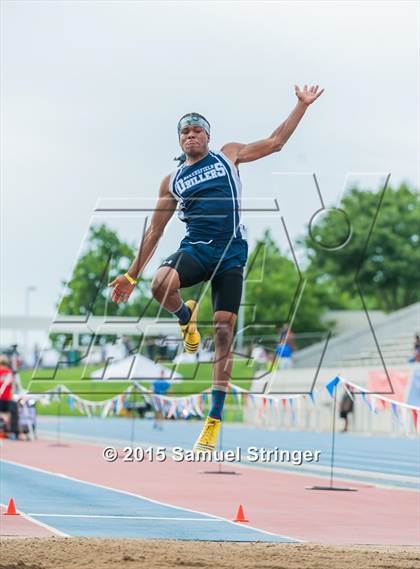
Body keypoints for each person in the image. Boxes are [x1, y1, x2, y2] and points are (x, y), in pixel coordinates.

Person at [108, 84, 324, 452]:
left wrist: (301, 106)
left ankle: (213, 420)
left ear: (208, 136)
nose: (191, 135)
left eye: (197, 130)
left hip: (230, 253)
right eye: (184, 132)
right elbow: (155, 230)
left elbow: (275, 142)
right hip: (196, 249)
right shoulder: (172, 181)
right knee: (159, 284)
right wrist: (131, 274)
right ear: (180, 141)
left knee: (224, 330)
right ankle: (183, 316)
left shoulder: (229, 156)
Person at [0, 355, 20, 439]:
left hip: (3, 399)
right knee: (14, 410)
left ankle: (6, 428)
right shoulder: (9, 372)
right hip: (7, 399)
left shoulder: (8, 372)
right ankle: (14, 432)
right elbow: (15, 387)